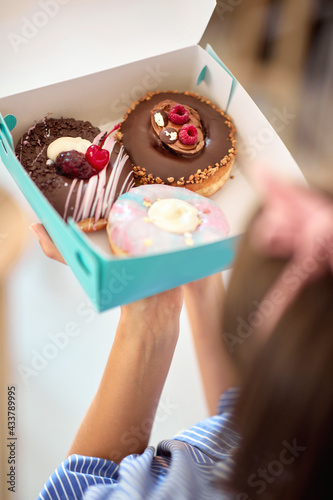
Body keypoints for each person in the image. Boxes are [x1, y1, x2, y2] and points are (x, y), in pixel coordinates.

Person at [31, 174, 333, 500]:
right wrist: (197, 275)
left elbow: (79, 489)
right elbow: (245, 418)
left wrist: (145, 322)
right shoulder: (300, 433)